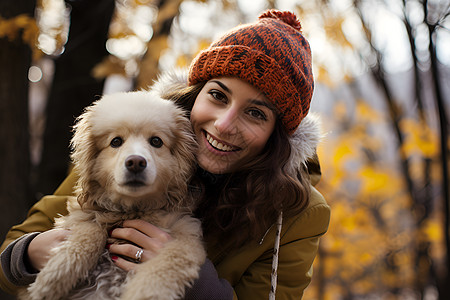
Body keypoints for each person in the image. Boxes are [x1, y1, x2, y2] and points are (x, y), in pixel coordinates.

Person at [0, 9, 330, 299]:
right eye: (218, 95)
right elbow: (10, 255)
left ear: (277, 135)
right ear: (197, 92)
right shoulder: (132, 141)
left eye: (256, 113)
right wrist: (29, 254)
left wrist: (199, 288)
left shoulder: (298, 212)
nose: (224, 124)